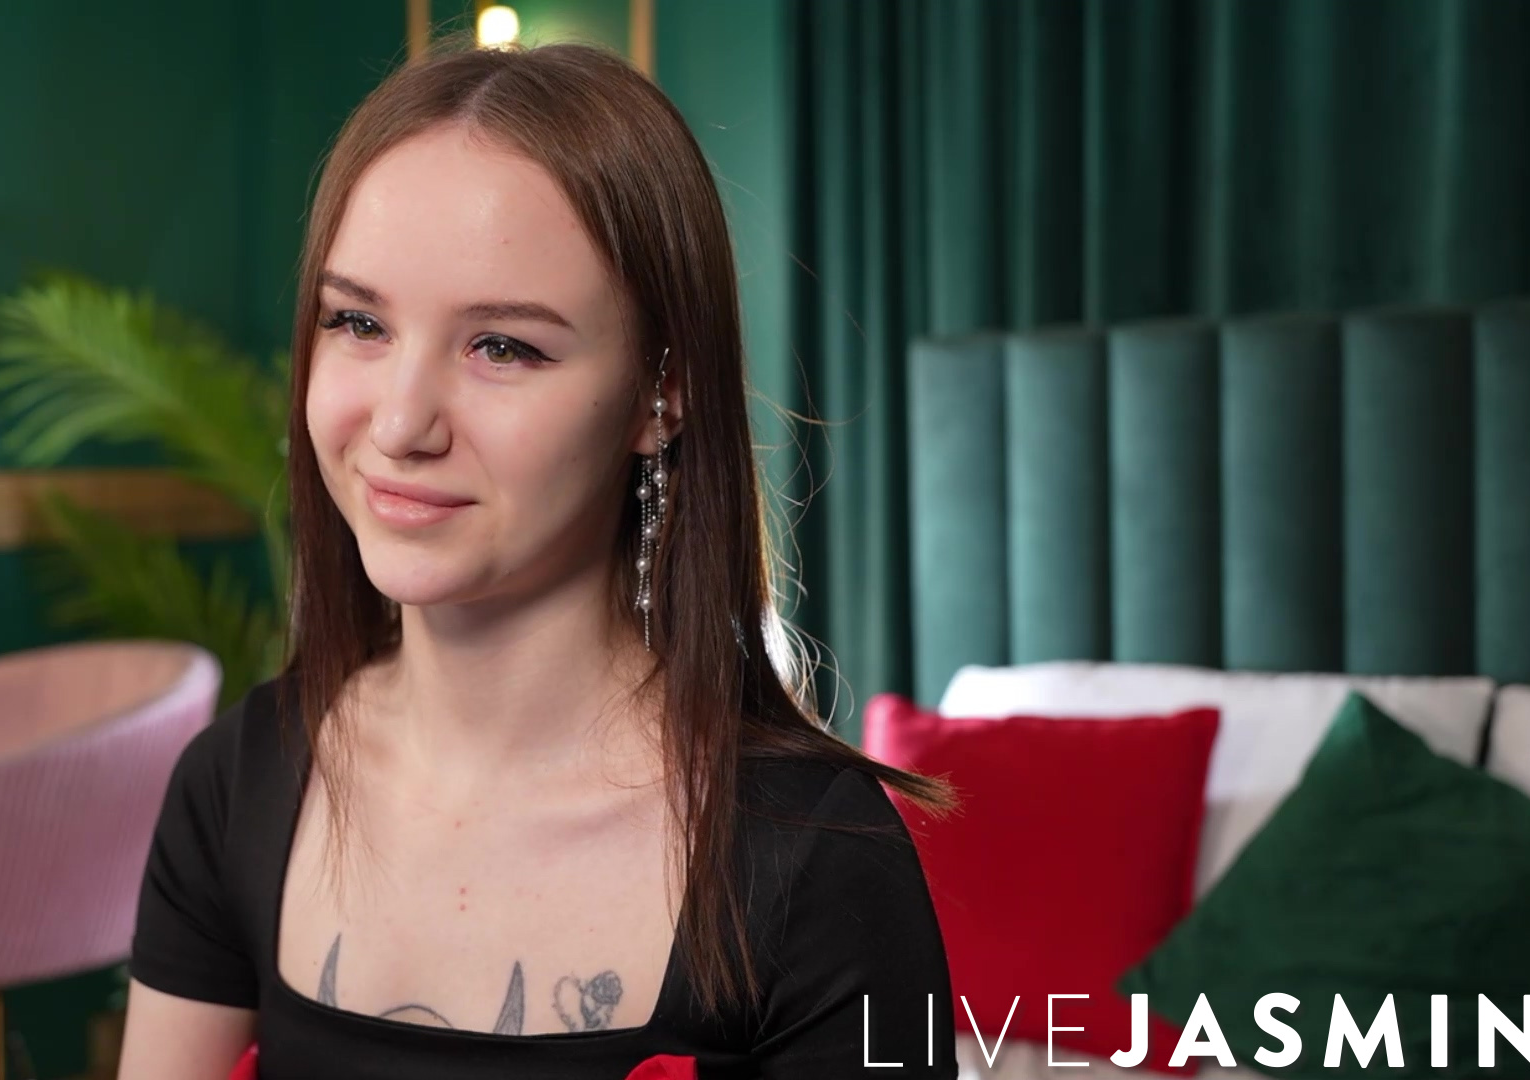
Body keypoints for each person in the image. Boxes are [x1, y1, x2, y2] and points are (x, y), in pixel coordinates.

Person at [117, 38, 958, 1080]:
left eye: (502, 346)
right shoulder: (235, 785)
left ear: (662, 395)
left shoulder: (819, 859)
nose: (400, 424)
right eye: (358, 321)